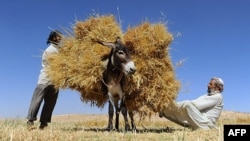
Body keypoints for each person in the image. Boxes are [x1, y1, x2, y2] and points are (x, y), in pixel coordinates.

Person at [26, 30, 62, 130]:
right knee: (37, 100)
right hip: (45, 80)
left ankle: (43, 123)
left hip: (55, 81)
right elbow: (56, 65)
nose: (61, 38)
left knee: (50, 103)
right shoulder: (50, 50)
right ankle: (30, 121)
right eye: (59, 36)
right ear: (54, 38)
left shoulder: (59, 49)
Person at [159, 77, 224, 130]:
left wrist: (173, 105)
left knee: (187, 105)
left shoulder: (218, 97)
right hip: (200, 120)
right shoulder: (207, 95)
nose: (208, 85)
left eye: (210, 84)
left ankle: (166, 108)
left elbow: (196, 105)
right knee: (185, 107)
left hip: (205, 124)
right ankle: (163, 109)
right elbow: (194, 105)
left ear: (217, 87)